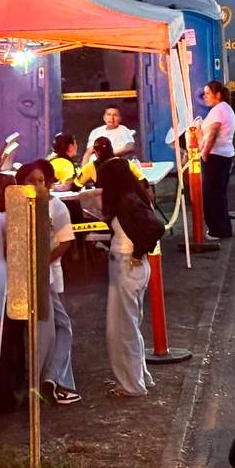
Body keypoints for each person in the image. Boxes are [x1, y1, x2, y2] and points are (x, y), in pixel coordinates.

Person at [15, 160, 80, 405]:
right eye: (30, 181)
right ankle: (49, 382)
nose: (35, 185)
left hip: (49, 277)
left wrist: (43, 262)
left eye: (40, 181)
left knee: (56, 329)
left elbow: (65, 242)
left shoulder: (56, 207)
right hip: (31, 281)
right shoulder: (18, 207)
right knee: (48, 331)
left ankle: (52, 380)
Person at [100, 158, 156, 398]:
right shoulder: (136, 196)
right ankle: (138, 377)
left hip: (126, 264)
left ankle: (131, 384)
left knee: (122, 329)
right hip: (133, 266)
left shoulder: (126, 201)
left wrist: (137, 251)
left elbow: (155, 228)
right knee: (130, 326)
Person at [199, 81, 235, 241]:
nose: (204, 96)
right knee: (218, 194)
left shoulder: (219, 111)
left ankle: (217, 229)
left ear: (217, 95)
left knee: (212, 195)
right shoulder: (224, 109)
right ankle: (221, 228)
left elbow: (213, 133)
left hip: (215, 157)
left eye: (208, 93)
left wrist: (205, 153)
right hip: (223, 155)